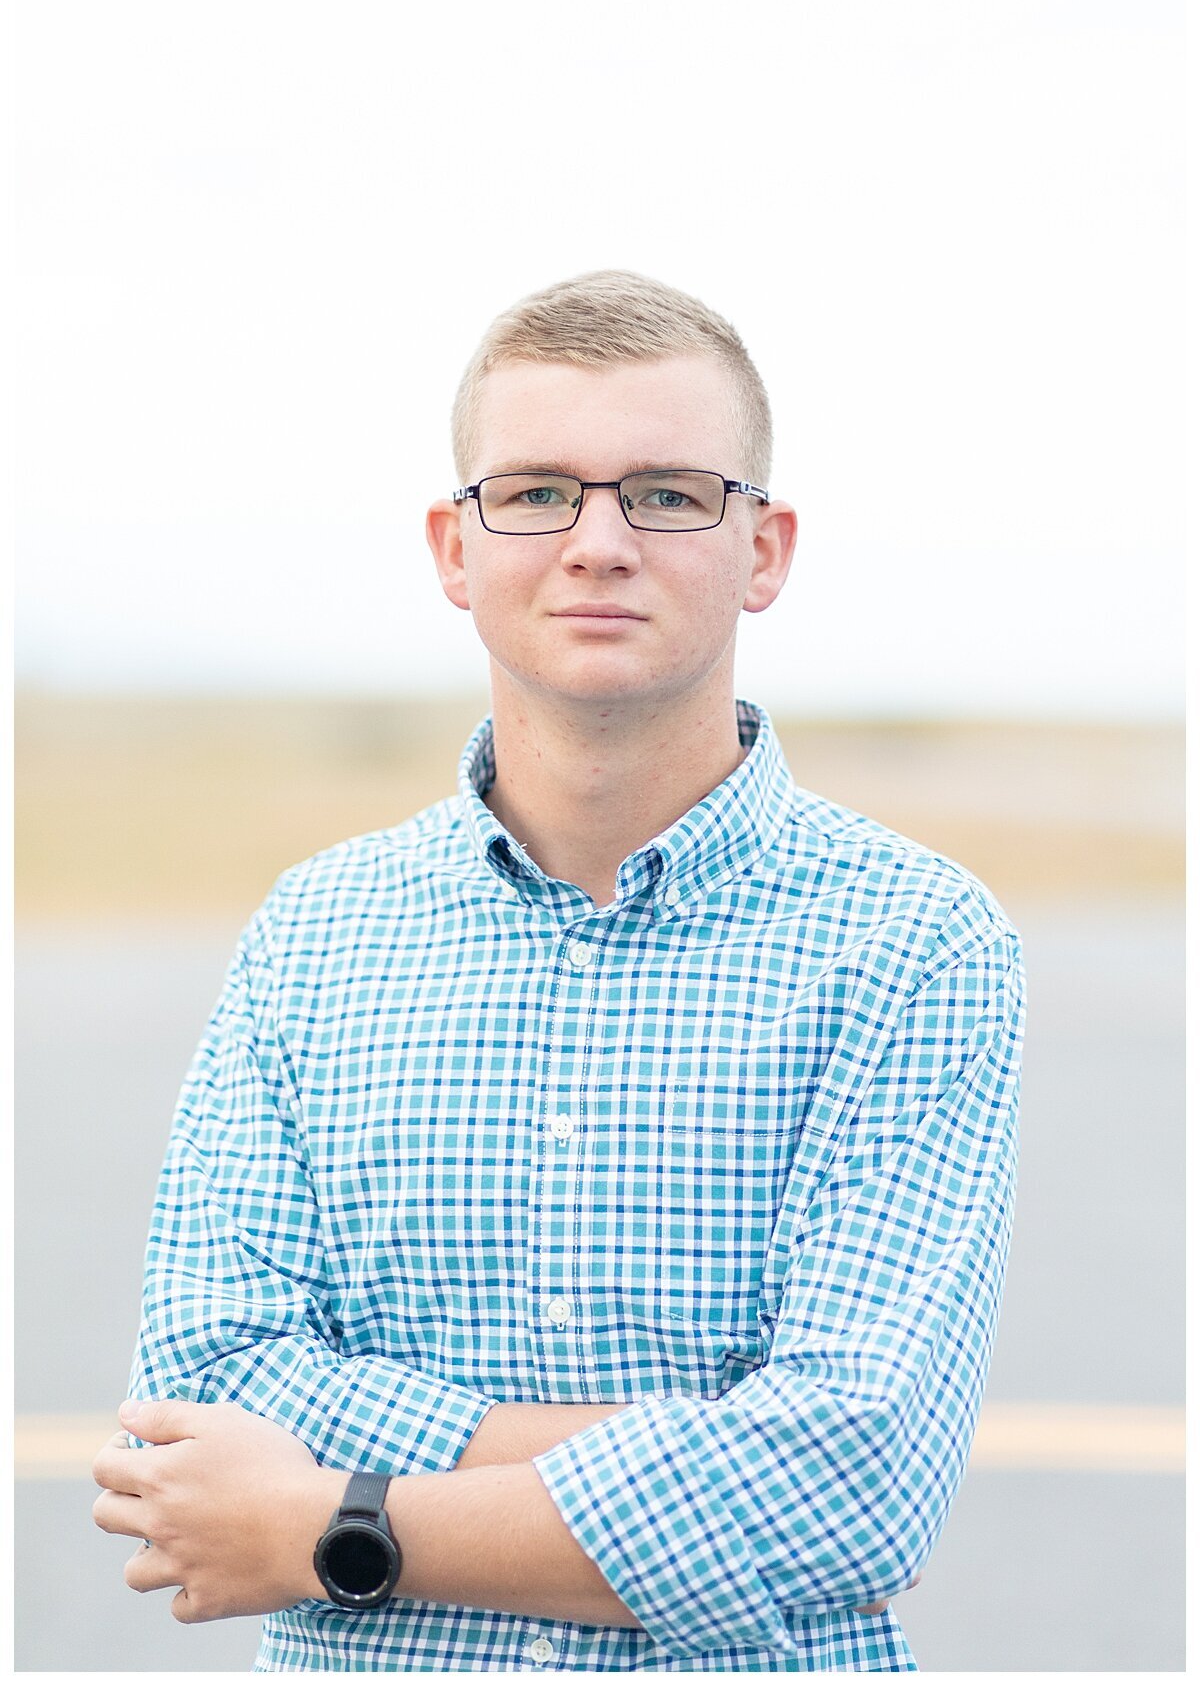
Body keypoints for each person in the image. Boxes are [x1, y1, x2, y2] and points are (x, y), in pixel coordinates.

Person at [92, 270, 1024, 1672]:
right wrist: (695, 1454)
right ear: (453, 548)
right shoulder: (316, 932)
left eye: (665, 492)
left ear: (764, 549)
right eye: (534, 492)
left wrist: (340, 1524)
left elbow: (855, 1480)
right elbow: (203, 1392)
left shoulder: (918, 942)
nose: (597, 541)